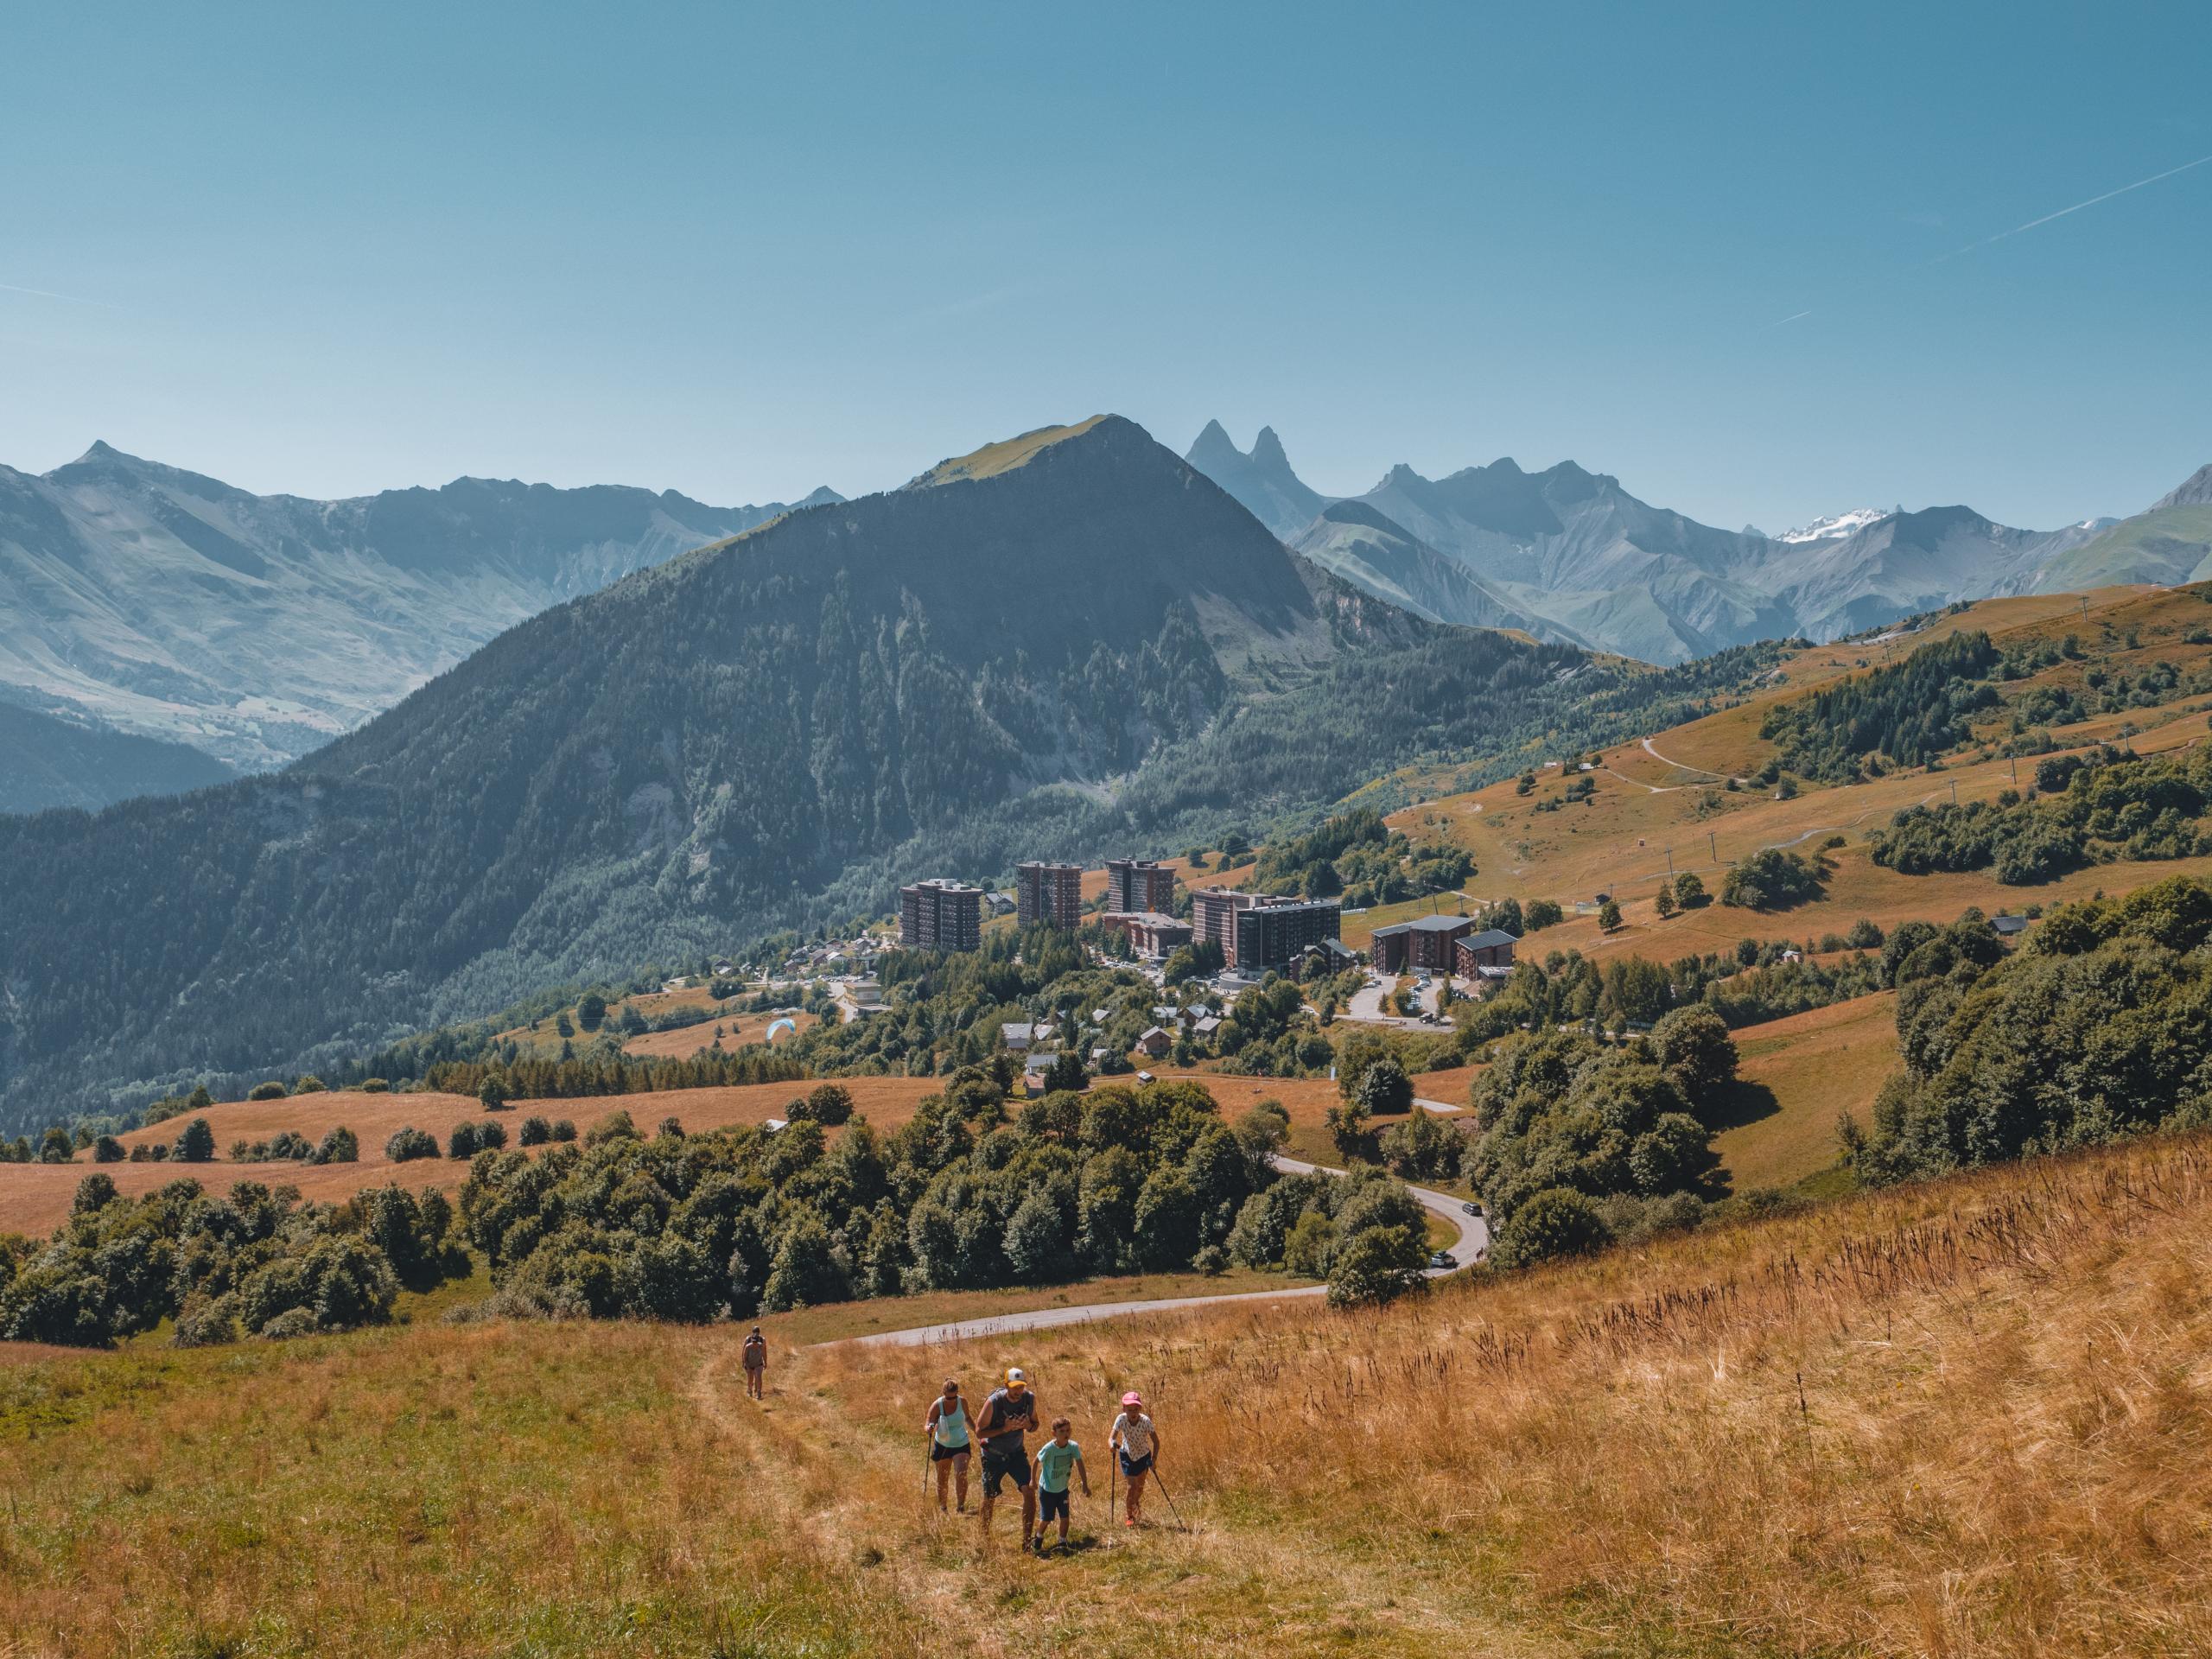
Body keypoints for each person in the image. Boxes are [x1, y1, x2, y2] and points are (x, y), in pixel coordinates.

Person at [973, 1365, 1039, 1550]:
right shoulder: (994, 1402)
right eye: (1015, 1386)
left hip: (1017, 1453)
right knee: (990, 1497)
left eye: (1021, 1386)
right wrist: (1004, 1429)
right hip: (993, 1456)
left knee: (1029, 1490)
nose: (1019, 1391)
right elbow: (979, 1432)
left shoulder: (1029, 1399)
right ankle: (983, 1539)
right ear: (1006, 1385)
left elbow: (1036, 1424)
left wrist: (1028, 1426)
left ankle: (1027, 1541)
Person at [1033, 1417, 1089, 1554]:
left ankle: (1062, 1542)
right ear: (1054, 1433)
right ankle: (1038, 1539)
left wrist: (1085, 1484)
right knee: (1046, 1519)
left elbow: (1080, 1464)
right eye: (1062, 1431)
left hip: (1062, 1490)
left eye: (1068, 1430)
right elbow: (1036, 1461)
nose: (1066, 1433)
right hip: (1047, 1490)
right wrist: (1032, 1481)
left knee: (1065, 1518)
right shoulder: (1049, 1449)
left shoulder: (1073, 1447)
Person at [1108, 1390, 1158, 1527]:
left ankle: (1134, 1504)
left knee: (1140, 1488)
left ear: (1140, 1409)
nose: (1133, 1412)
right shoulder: (1121, 1419)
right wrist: (1111, 1444)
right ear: (1124, 1409)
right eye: (1130, 1409)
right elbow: (1111, 1437)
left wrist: (1153, 1459)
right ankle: (1129, 1516)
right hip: (1127, 1455)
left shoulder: (1145, 1421)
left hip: (1143, 1456)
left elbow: (1156, 1442)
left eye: (1136, 1409)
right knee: (1131, 1486)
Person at [923, 1377, 972, 1513]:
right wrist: (929, 1428)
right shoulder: (937, 1405)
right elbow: (928, 1422)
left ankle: (960, 1507)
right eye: (948, 1398)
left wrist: (978, 1432)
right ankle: (943, 1508)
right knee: (942, 1479)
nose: (951, 1400)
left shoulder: (962, 1402)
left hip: (961, 1443)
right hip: (943, 1445)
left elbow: (968, 1418)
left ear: (957, 1393)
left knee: (961, 1475)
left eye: (954, 1397)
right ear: (943, 1392)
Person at [741, 1326, 767, 1401]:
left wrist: (765, 1361)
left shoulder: (762, 1341)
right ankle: (750, 1390)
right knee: (751, 1378)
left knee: (758, 1377)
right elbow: (744, 1353)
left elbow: (764, 1352)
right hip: (749, 1363)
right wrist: (744, 1362)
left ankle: (758, 1392)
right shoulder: (748, 1341)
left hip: (758, 1362)